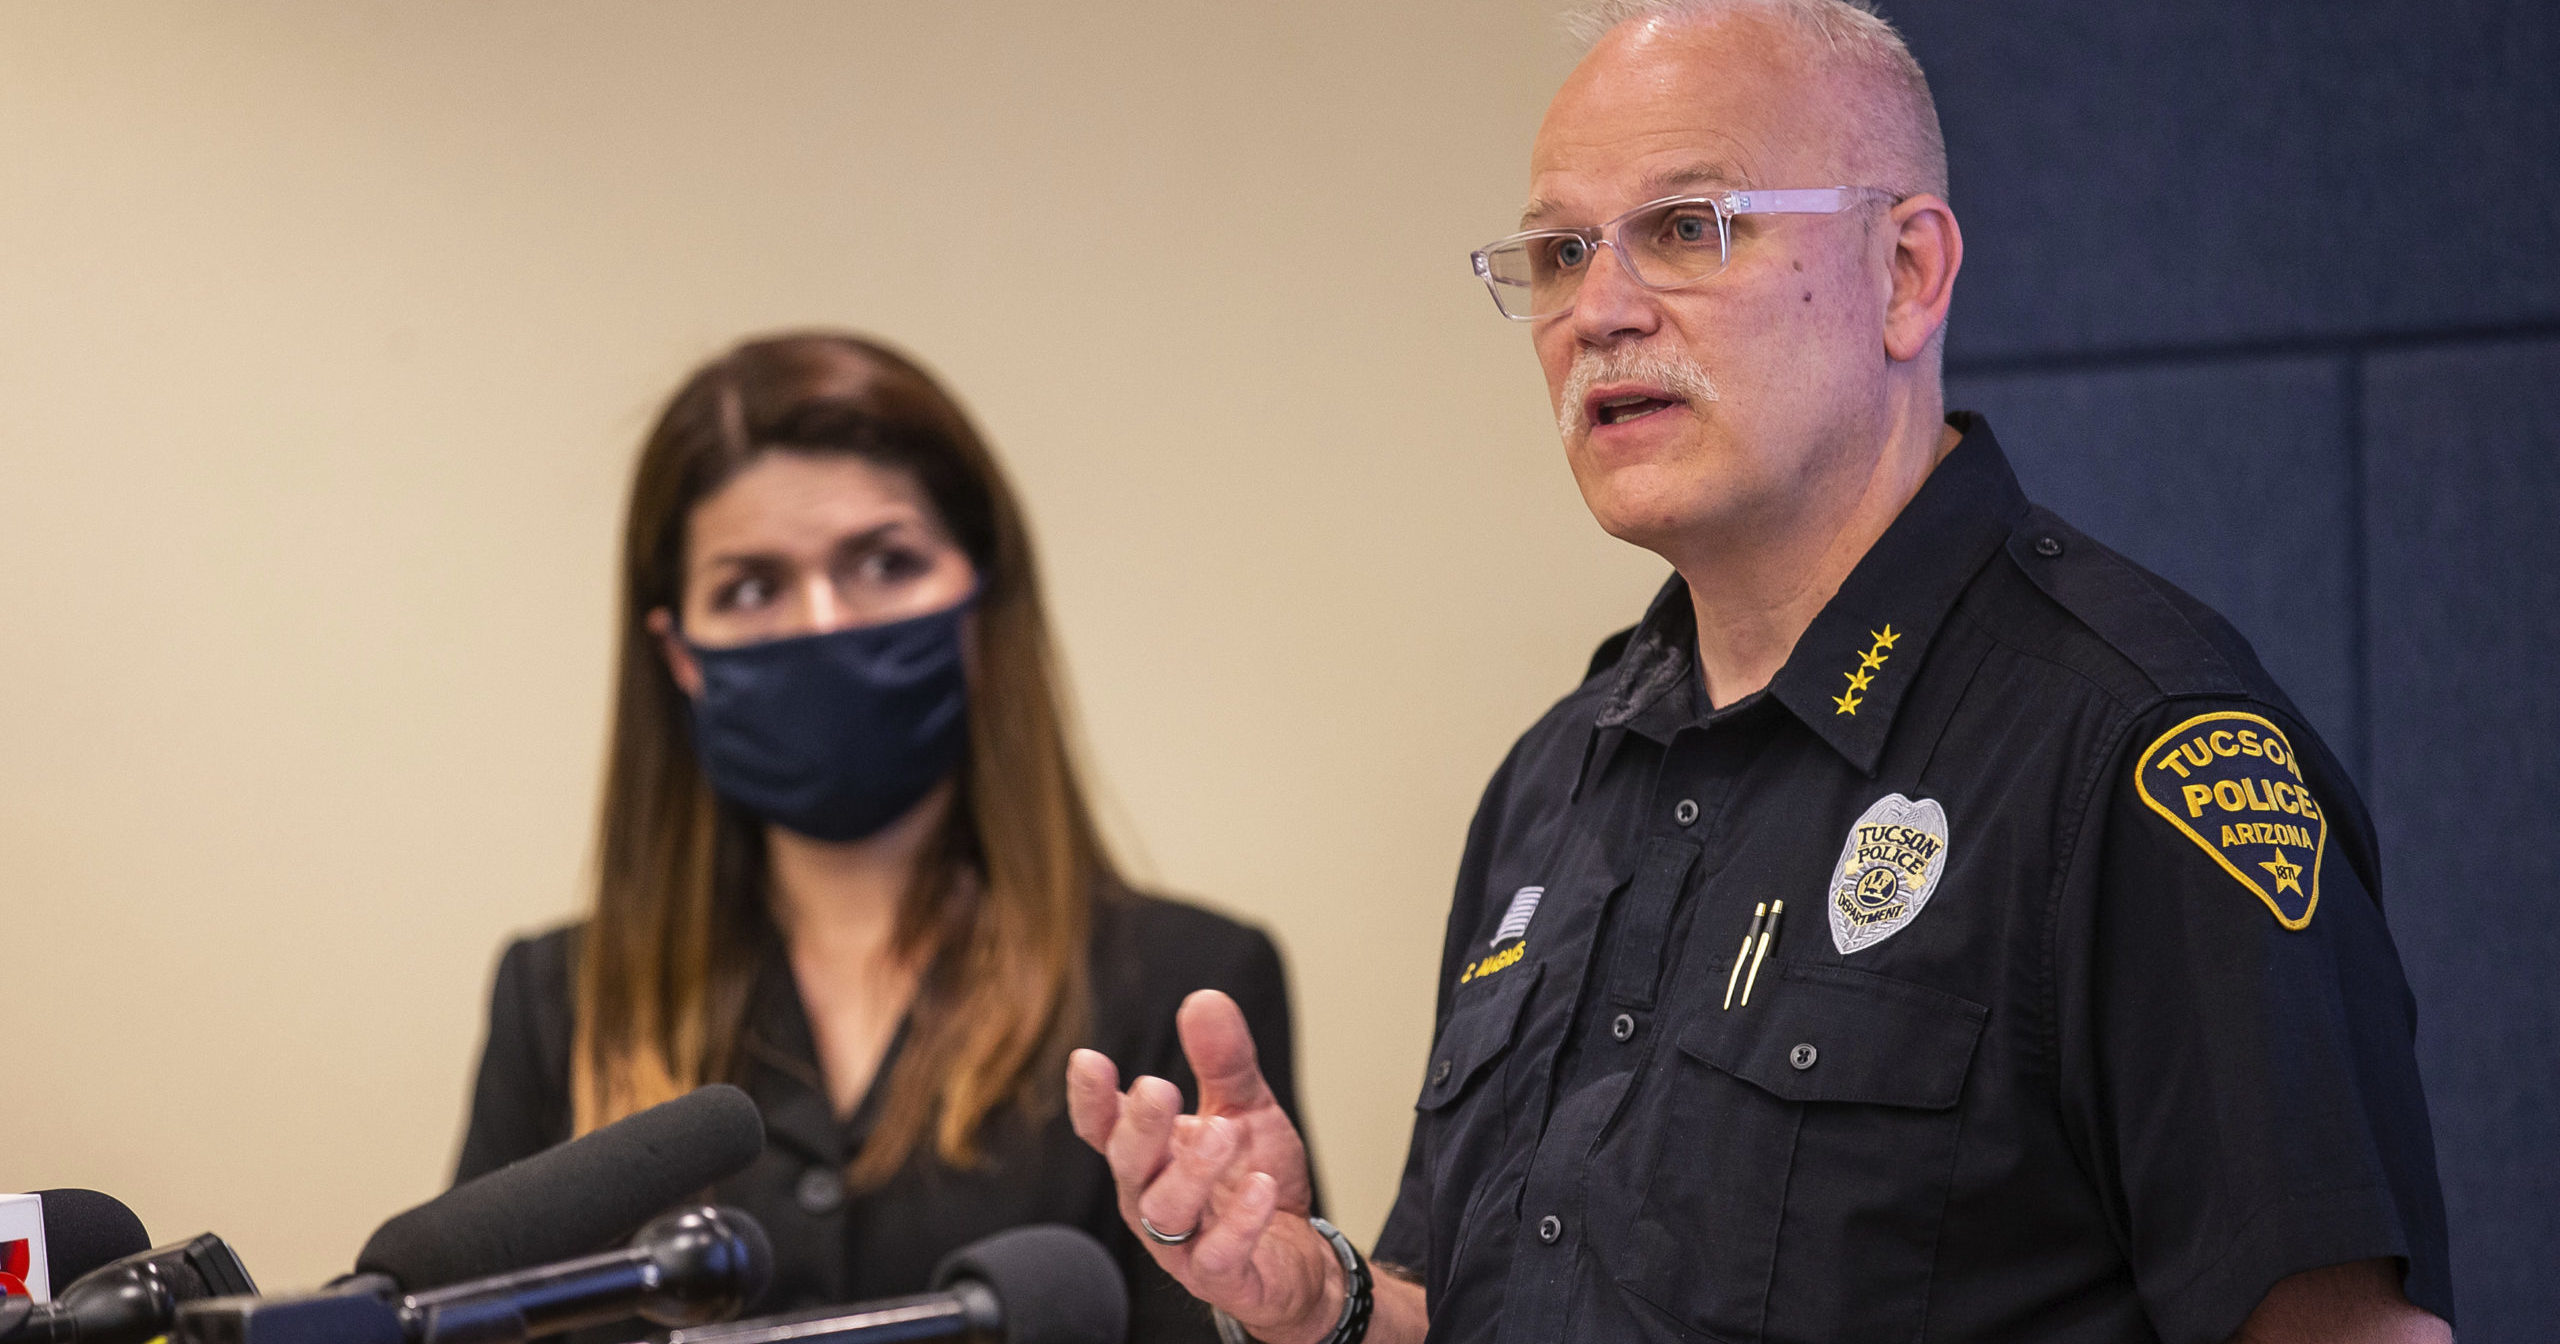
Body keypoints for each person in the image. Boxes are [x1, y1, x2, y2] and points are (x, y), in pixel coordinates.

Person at [1065, 2, 2455, 1342]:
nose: (1599, 312)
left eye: (1685, 229)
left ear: (1906, 273)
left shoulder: (2131, 748)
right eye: (1556, 253)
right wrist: (1327, 1306)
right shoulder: (1556, 781)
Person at [454, 331, 1307, 1343]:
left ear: (978, 603)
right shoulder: (557, 1002)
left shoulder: (1182, 981)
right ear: (679, 654)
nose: (823, 624)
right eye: (752, 588)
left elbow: (1263, 1309)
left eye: (882, 563)